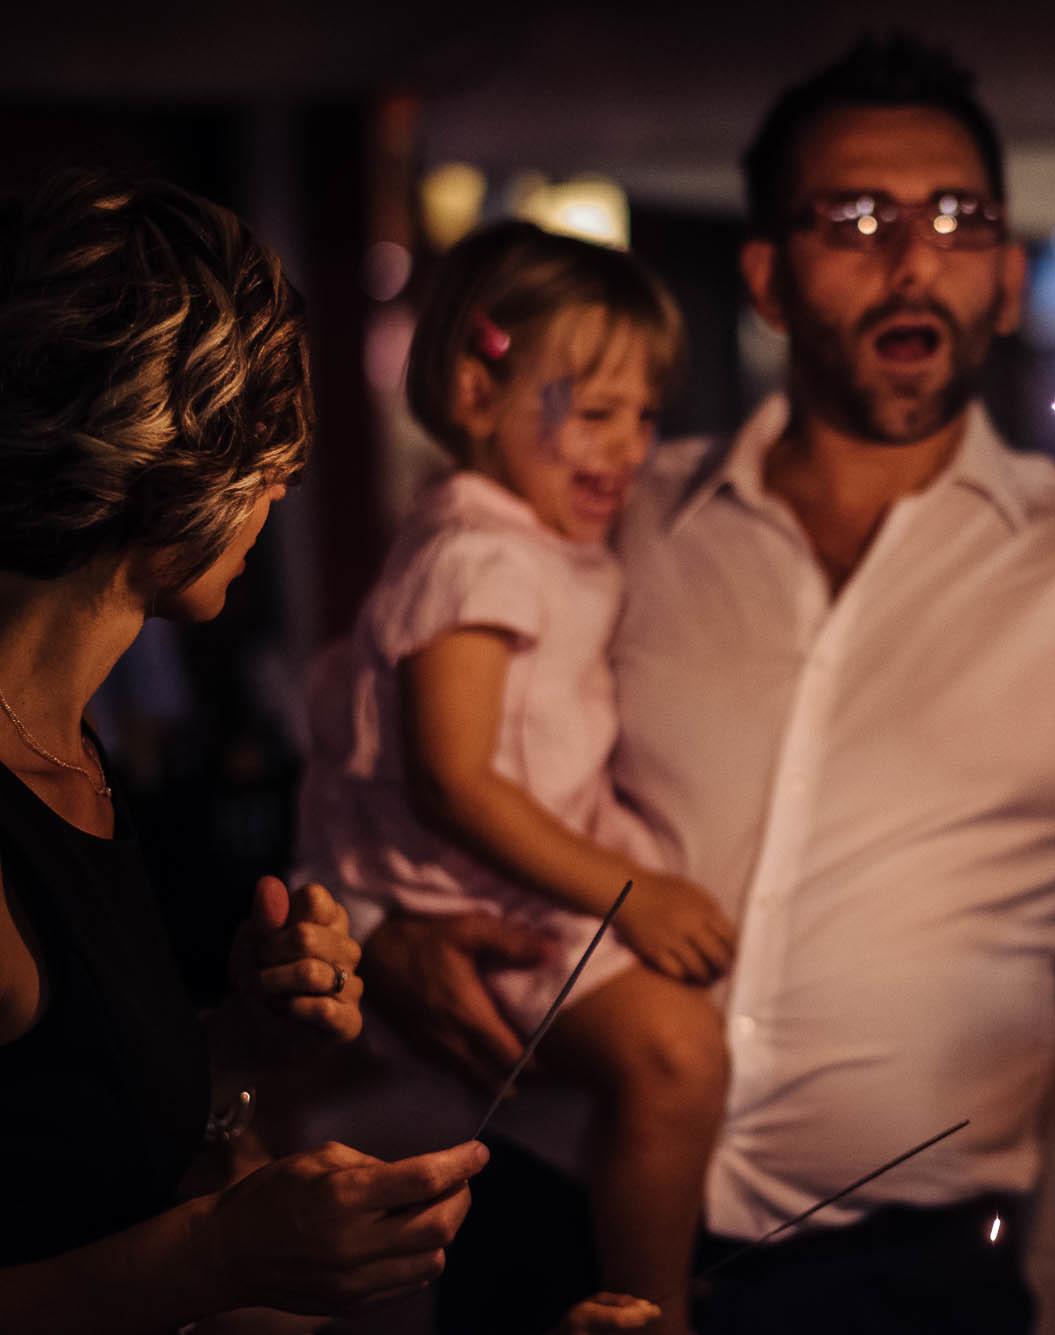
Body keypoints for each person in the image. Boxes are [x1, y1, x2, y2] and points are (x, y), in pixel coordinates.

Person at [361, 34, 1055, 1333]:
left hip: (894, 1279)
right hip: (547, 1213)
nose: (912, 261)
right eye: (856, 219)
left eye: (958, 220)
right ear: (767, 279)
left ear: (1008, 280)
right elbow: (388, 719)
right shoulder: (611, 512)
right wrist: (380, 926)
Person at [0, 171, 491, 1330]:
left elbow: (50, 1131)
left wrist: (236, 1044)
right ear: (164, 459)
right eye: (267, 454)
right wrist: (215, 1260)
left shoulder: (67, 747)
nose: (281, 490)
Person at [294, 221, 731, 1333]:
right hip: (481, 898)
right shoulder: (479, 554)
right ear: (475, 391)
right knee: (675, 1054)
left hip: (527, 887)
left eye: (645, 415)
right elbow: (453, 782)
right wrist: (635, 892)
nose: (628, 448)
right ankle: (651, 1310)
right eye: (595, 412)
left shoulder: (520, 540)